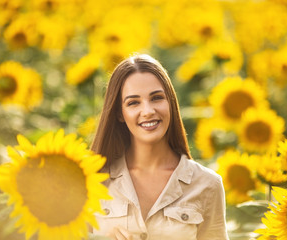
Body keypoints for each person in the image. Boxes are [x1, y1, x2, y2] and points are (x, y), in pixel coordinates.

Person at [90, 54, 229, 240]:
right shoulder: (93, 182)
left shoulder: (207, 184)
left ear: (170, 103)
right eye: (133, 103)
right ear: (119, 114)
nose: (148, 111)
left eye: (156, 98)